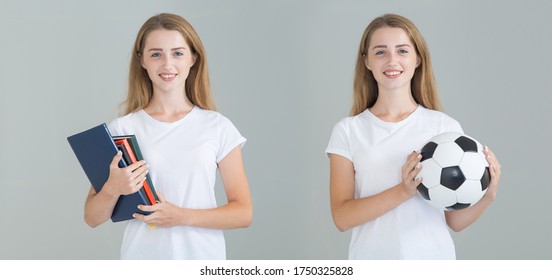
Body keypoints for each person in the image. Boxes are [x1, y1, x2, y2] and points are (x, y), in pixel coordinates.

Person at [325, 14, 501, 259]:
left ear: (418, 58)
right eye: (380, 52)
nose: (392, 60)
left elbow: (455, 221)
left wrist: (488, 193)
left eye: (402, 51)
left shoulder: (443, 128)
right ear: (366, 61)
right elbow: (342, 218)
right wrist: (403, 191)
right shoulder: (348, 130)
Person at [83, 13, 252, 259]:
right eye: (156, 54)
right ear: (142, 60)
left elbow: (243, 213)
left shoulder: (218, 127)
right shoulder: (121, 129)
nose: (167, 64)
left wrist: (180, 216)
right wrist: (112, 188)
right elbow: (91, 218)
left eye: (177, 53)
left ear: (193, 58)